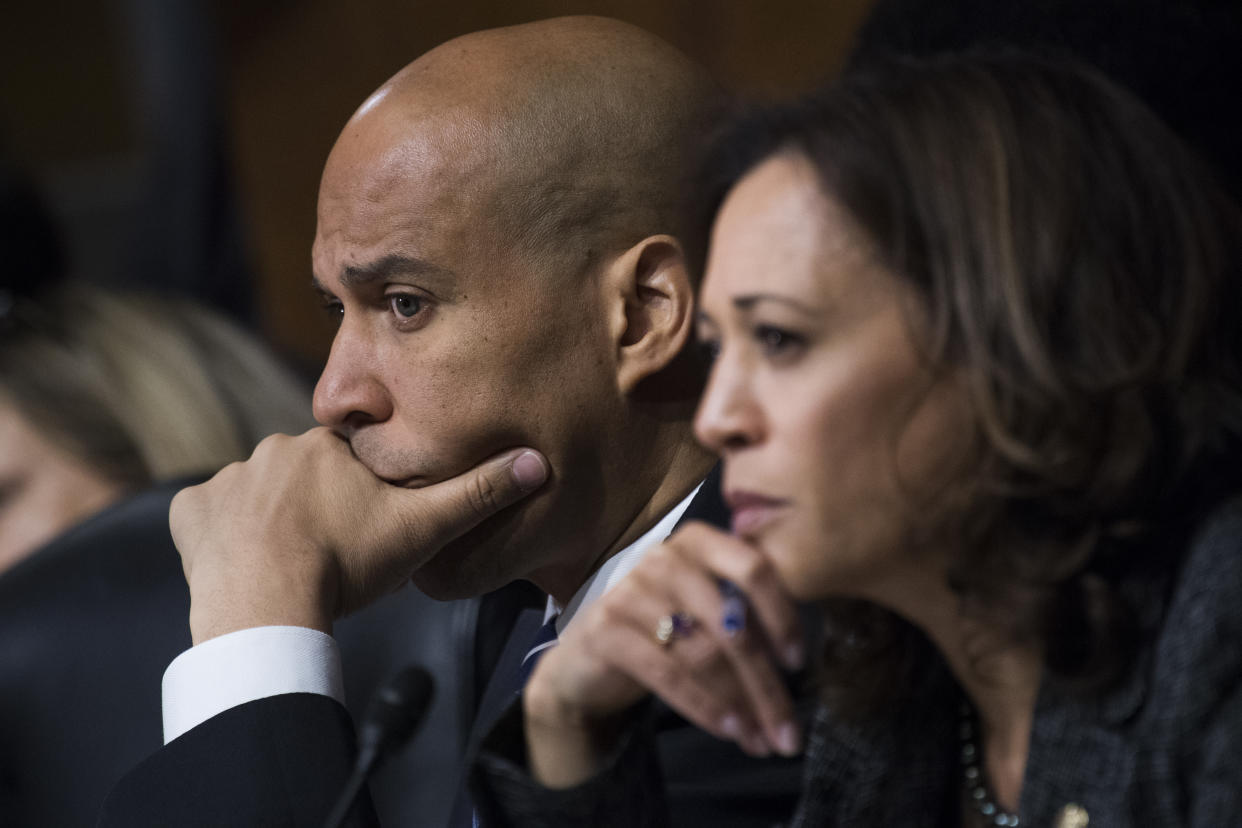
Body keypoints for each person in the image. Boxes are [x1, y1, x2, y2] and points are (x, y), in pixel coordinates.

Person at [468, 54, 1242, 827]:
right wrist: (569, 724)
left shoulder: (1219, 634)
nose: (717, 419)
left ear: (1011, 343)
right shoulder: (892, 681)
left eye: (778, 339)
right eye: (718, 348)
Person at [100, 16, 808, 828]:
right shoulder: (513, 610)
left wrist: (255, 633)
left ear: (644, 314)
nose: (333, 395)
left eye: (405, 304)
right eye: (338, 308)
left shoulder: (767, 656)